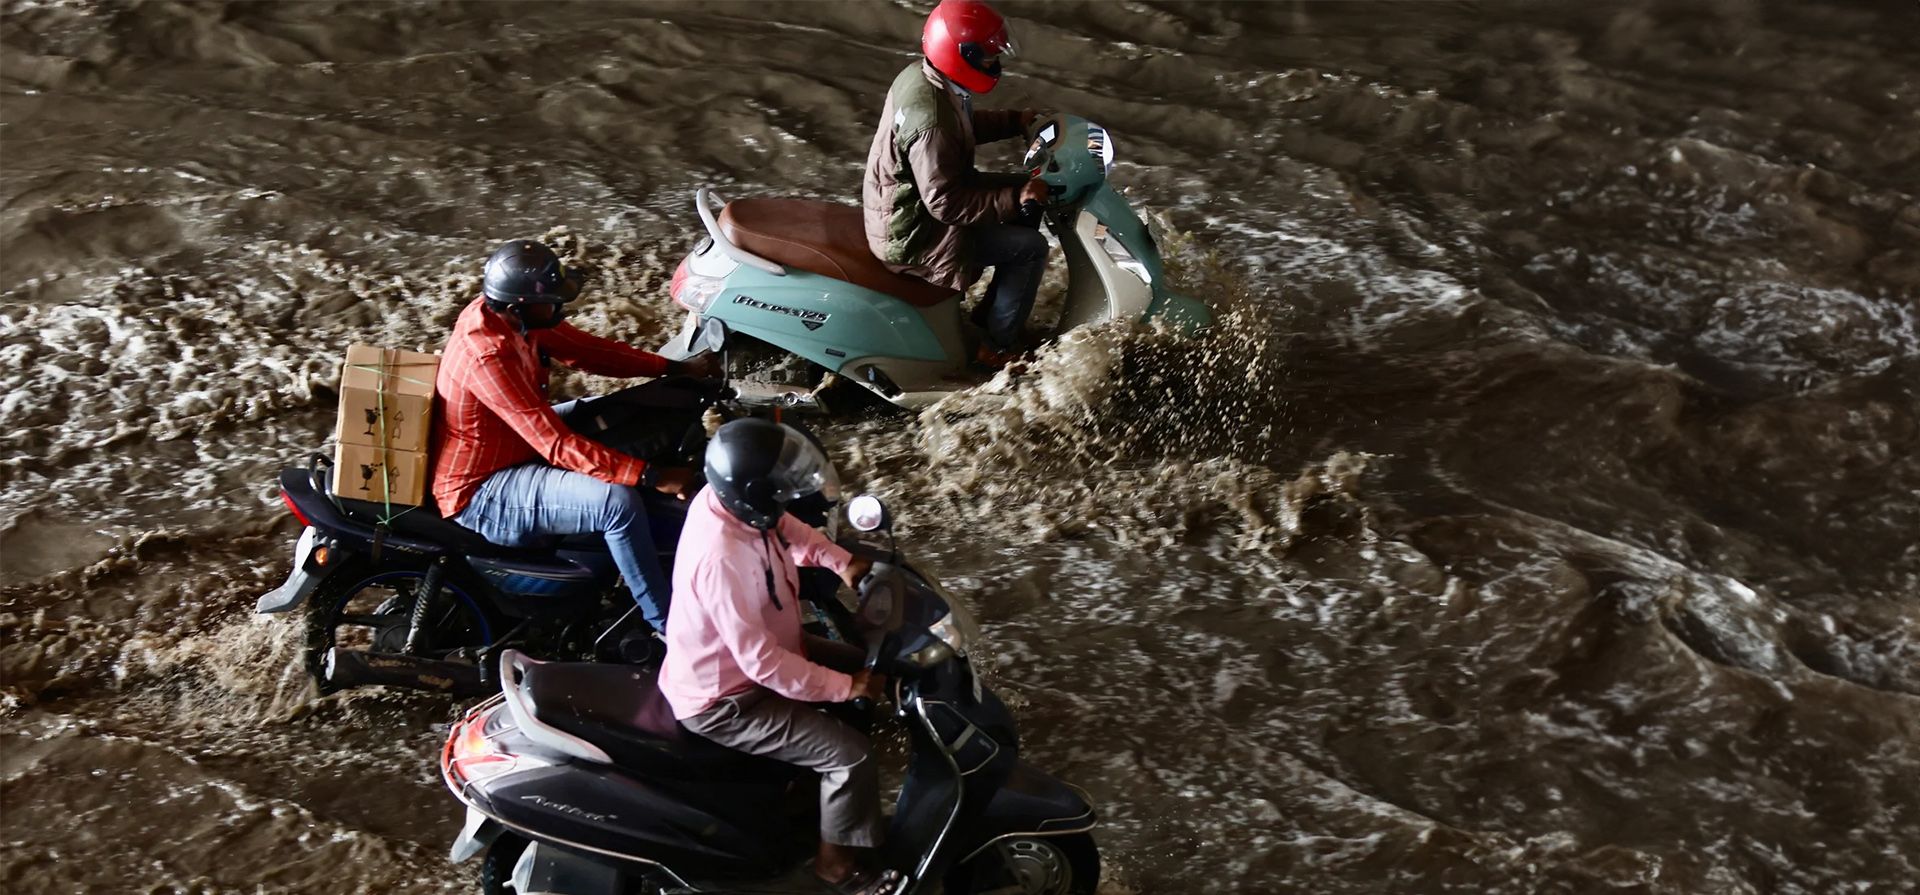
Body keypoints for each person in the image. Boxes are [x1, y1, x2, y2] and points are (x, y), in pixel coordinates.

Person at [656, 419, 899, 895]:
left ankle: (816, 803)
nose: (785, 498)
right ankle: (836, 867)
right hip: (727, 700)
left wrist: (841, 561)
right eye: (778, 491)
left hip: (767, 654)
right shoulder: (721, 559)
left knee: (866, 662)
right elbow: (762, 665)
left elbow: (788, 528)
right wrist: (846, 688)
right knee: (850, 757)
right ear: (752, 495)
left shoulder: (727, 503)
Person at [431, 239, 718, 633]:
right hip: (484, 488)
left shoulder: (515, 319)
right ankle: (669, 628)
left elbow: (586, 351)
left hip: (516, 443)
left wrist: (671, 368)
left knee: (613, 409)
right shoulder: (489, 355)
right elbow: (556, 444)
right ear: (518, 306)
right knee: (618, 504)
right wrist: (652, 476)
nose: (559, 308)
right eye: (551, 301)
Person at [863, 0, 1046, 370]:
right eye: (989, 58)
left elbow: (960, 128)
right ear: (961, 56)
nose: (995, 65)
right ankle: (997, 346)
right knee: (1032, 248)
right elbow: (945, 204)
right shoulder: (932, 123)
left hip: (907, 204)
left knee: (1027, 196)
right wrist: (1015, 198)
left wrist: (1014, 121)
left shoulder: (924, 77)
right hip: (915, 235)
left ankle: (990, 313)